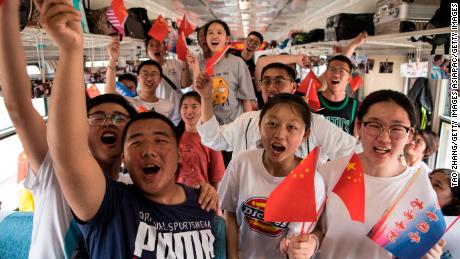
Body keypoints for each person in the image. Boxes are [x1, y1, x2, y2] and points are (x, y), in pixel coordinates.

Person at [0, 2, 216, 257]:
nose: (108, 123)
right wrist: (7, 12)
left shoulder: (129, 191)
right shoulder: (52, 167)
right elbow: (19, 107)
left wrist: (203, 192)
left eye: (119, 119)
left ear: (126, 147)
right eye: (97, 117)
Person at [318, 89, 445, 258]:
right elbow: (315, 228)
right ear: (358, 127)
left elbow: (414, 248)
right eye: (374, 125)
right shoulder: (329, 172)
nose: (384, 138)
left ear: (410, 135)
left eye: (397, 128)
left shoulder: (420, 191)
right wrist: (310, 242)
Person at [218, 93, 325, 258]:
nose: (280, 134)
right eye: (272, 124)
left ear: (305, 134)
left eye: (291, 127)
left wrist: (292, 246)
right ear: (260, 125)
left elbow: (296, 240)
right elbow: (230, 213)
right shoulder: (242, 163)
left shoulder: (312, 182)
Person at [195, 62, 357, 165]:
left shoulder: (314, 124)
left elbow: (353, 152)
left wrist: (323, 182)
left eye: (279, 81)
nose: (271, 87)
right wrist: (205, 98)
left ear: (294, 87)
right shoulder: (247, 121)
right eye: (266, 81)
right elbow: (213, 139)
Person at [192, 19, 256, 125]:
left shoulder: (238, 63)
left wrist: (247, 128)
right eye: (210, 33)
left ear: (227, 39)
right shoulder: (200, 64)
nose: (214, 36)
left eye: (219, 32)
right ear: (206, 39)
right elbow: (198, 94)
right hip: (210, 125)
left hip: (235, 125)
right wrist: (194, 67)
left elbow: (246, 99)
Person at [176, 91, 225, 190]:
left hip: (202, 200)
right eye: (185, 107)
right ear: (179, 110)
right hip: (177, 198)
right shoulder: (173, 137)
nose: (189, 111)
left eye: (194, 107)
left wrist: (215, 203)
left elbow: (218, 178)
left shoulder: (211, 138)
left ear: (202, 109)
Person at [315, 55, 358, 136]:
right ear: (326, 74)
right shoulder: (311, 100)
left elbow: (355, 138)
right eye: (332, 70)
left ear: (349, 79)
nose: (336, 75)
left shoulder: (355, 106)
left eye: (341, 71)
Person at [229, 31, 264, 108]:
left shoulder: (254, 69)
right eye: (250, 40)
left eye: (256, 43)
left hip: (239, 102)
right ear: (245, 41)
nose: (251, 44)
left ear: (259, 47)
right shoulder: (230, 54)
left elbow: (256, 88)